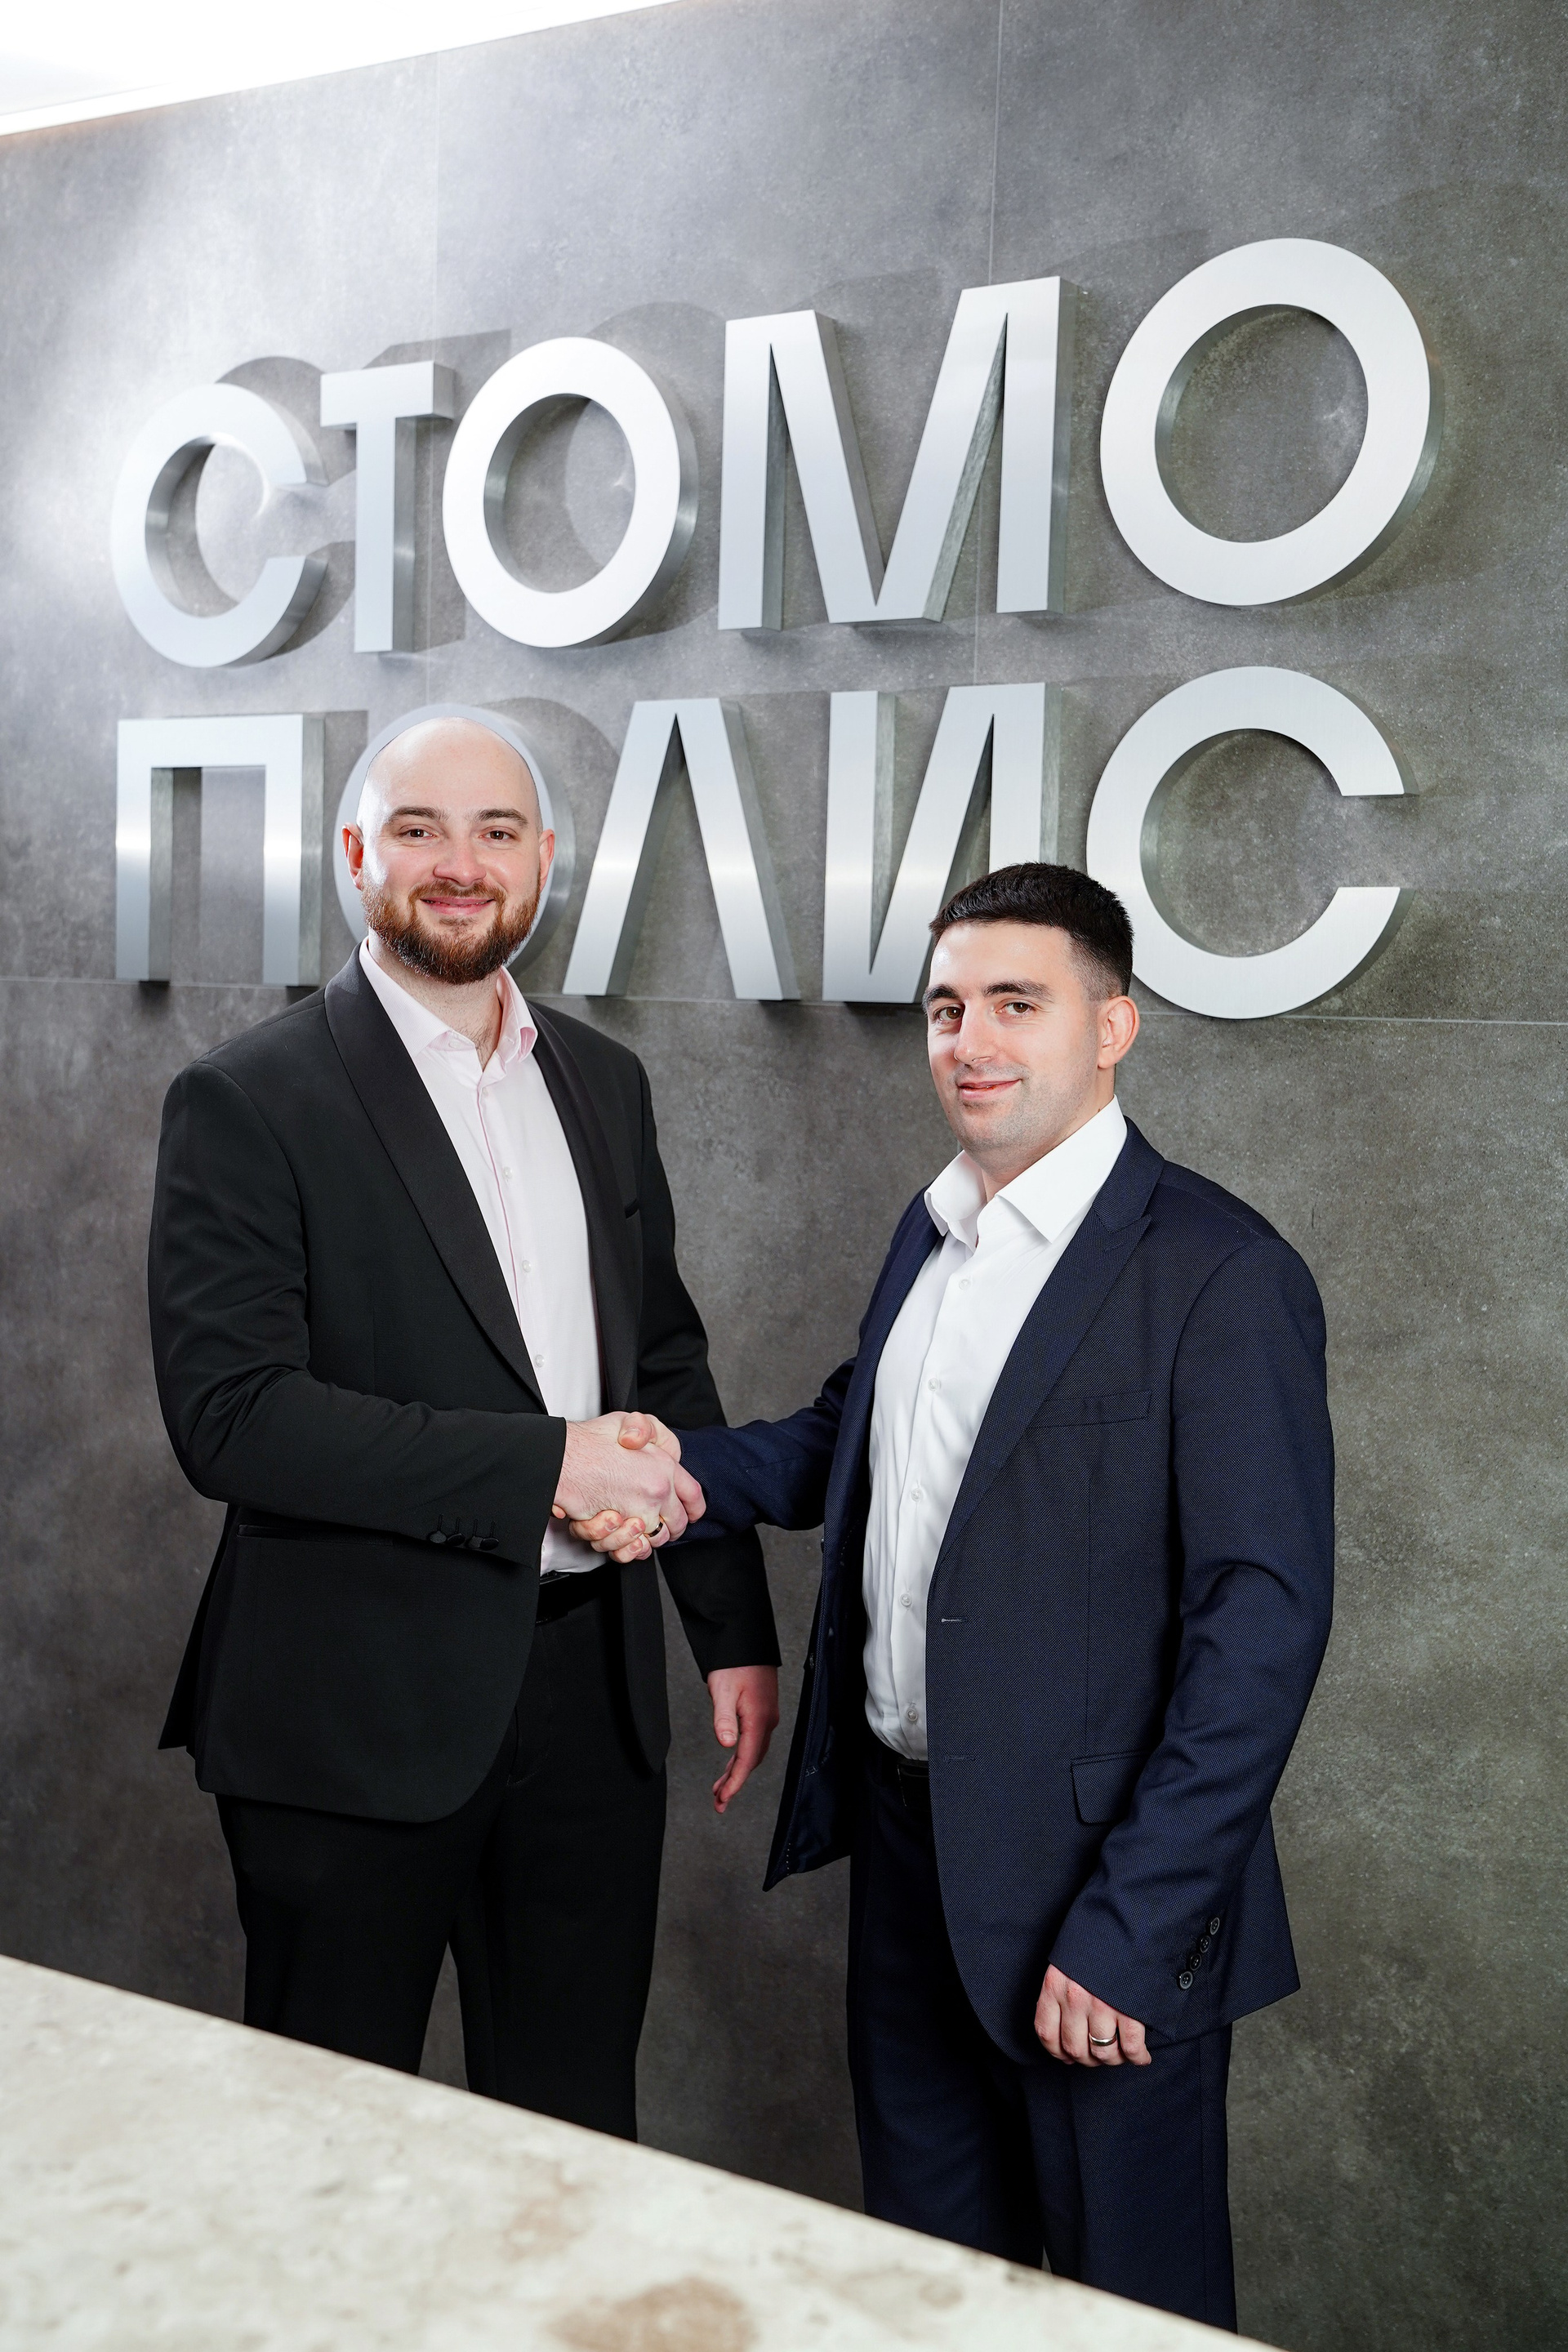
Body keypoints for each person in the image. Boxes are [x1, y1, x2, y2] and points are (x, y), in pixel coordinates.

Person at [579, 862, 1334, 2327]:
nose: (969, 1040)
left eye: (1014, 1003)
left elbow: (1262, 1632)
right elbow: (852, 1439)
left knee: (1127, 2317)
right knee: (929, 2299)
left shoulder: (1222, 1273)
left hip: (1098, 1903)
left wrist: (1133, 1928)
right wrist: (670, 1474)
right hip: (907, 1864)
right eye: (945, 1008)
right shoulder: (935, 1229)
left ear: (1112, 1027)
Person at [149, 714, 780, 2140]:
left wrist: (728, 1625)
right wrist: (549, 1463)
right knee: (328, 2145)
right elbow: (232, 1421)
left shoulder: (604, 1083)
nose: (460, 863)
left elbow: (662, 1364)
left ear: (543, 858)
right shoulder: (249, 1097)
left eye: (496, 831)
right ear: (356, 853)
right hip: (350, 1710)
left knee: (571, 2145)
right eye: (419, 829)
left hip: (590, 1707)